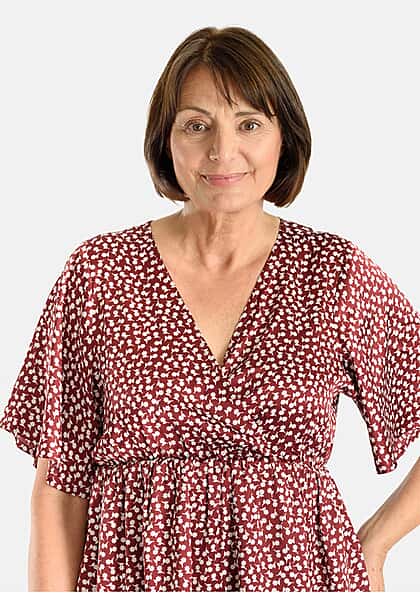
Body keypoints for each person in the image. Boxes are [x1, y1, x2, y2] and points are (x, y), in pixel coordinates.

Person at [0, 25, 419, 592]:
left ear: (284, 136)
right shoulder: (99, 274)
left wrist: (376, 541)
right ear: (166, 140)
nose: (223, 151)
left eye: (250, 124)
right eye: (197, 126)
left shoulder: (334, 274)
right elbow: (58, 486)